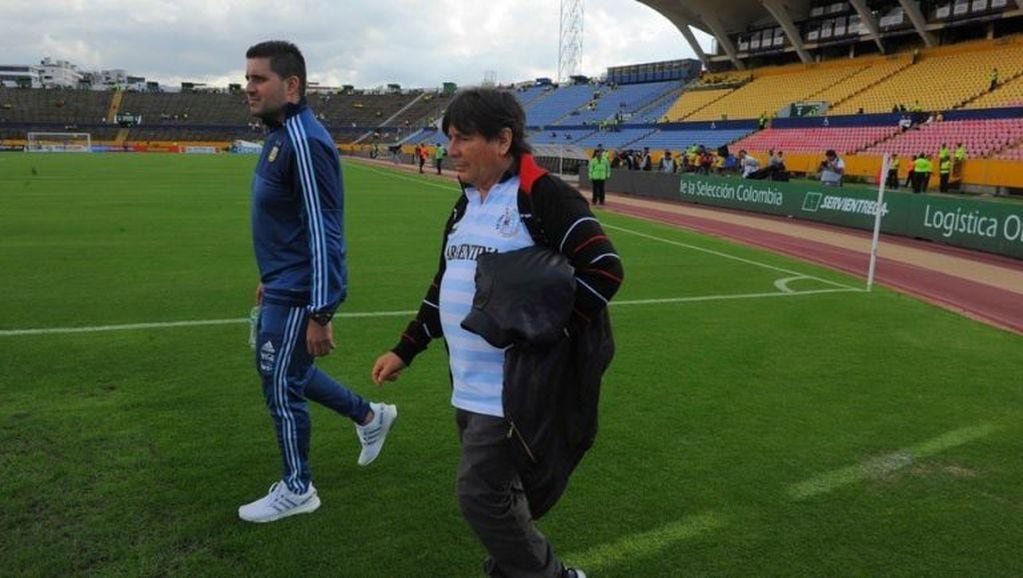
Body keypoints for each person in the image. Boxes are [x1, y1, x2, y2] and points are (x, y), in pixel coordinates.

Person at [371, 88, 623, 578]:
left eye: (463, 138)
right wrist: (406, 348)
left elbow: (605, 270)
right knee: (502, 493)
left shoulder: (543, 197)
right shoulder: (465, 205)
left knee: (480, 495)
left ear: (503, 140)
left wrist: (549, 335)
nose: (452, 149)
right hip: (467, 385)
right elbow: (445, 283)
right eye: (449, 138)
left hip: (511, 392)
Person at [239, 40, 398, 524]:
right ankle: (370, 417)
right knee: (293, 373)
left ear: (290, 86)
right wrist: (270, 278)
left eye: (258, 79)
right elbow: (287, 223)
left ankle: (298, 487)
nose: (248, 88)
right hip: (283, 283)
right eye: (246, 78)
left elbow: (323, 229)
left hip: (301, 292)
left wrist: (321, 310)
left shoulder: (304, 141)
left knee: (281, 384)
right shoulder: (281, 135)